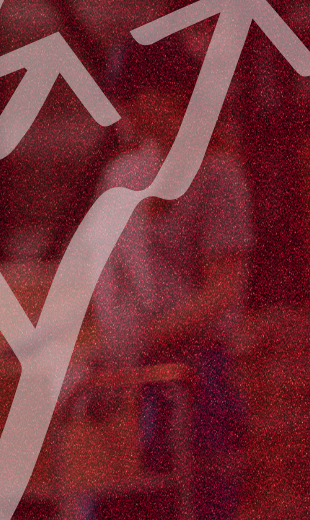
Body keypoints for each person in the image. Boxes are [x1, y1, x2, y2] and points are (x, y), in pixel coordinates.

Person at [88, 44, 249, 520]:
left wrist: (146, 337)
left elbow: (223, 291)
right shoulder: (122, 175)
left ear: (172, 98)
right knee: (118, 502)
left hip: (196, 375)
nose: (125, 112)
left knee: (197, 500)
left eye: (134, 98)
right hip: (128, 374)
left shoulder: (219, 177)